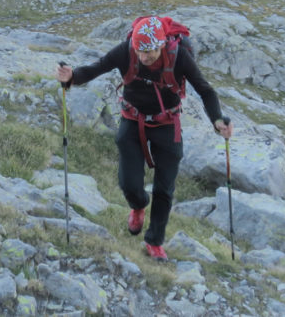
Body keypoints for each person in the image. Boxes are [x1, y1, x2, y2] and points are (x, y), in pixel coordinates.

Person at [55, 15, 233, 261]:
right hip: (132, 118)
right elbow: (97, 67)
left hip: (166, 122)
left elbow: (205, 90)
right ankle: (138, 205)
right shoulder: (127, 51)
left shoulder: (179, 56)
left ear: (162, 45)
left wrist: (217, 120)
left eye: (150, 51)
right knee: (129, 183)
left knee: (165, 188)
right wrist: (71, 77)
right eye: (140, 50)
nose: (144, 56)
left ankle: (155, 241)